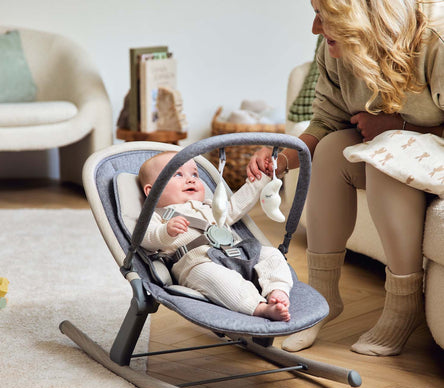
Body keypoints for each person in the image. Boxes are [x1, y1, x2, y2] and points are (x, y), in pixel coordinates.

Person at [247, 0, 444, 355]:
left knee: (384, 154)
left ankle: (404, 305)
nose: (314, 29)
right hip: (395, 152)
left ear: (363, 16)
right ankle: (323, 297)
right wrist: (279, 158)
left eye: (324, 16)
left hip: (430, 151)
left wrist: (397, 127)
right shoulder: (334, 52)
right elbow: (324, 123)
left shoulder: (435, 41)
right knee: (332, 149)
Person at [138, 151, 293, 321]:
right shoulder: (156, 216)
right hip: (197, 263)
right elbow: (146, 238)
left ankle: (277, 290)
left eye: (195, 174)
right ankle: (259, 307)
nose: (191, 179)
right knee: (218, 279)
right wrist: (165, 232)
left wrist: (262, 178)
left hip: (239, 254)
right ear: (152, 192)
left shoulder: (211, 206)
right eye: (178, 174)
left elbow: (238, 204)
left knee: (272, 254)